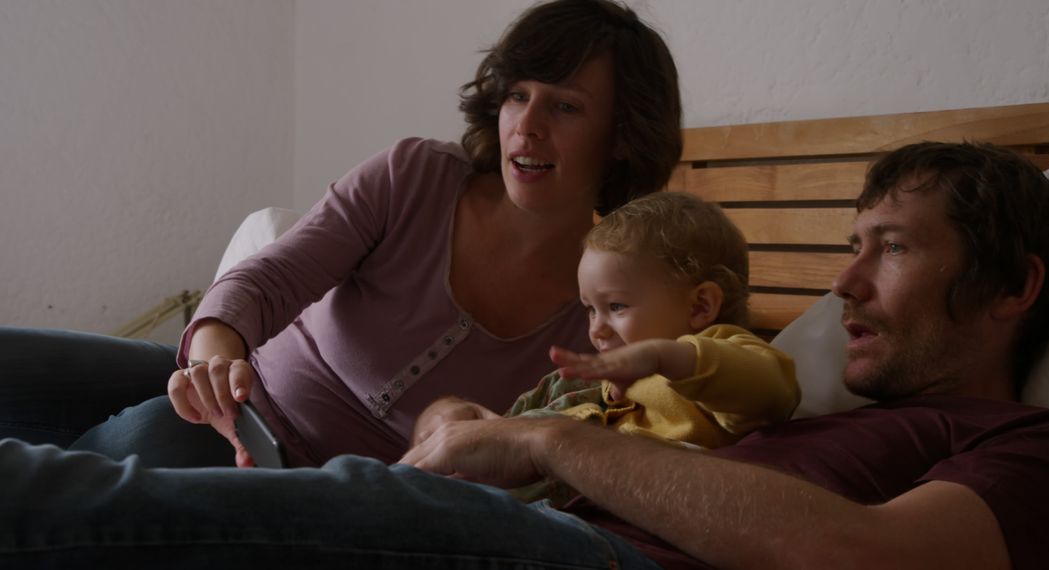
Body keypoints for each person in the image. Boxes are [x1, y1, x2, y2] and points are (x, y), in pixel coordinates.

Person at [4, 141, 1049, 569]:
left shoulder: (1036, 448)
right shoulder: (803, 403)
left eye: (888, 252)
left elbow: (869, 559)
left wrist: (552, 442)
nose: (842, 286)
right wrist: (475, 432)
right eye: (847, 250)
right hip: (538, 529)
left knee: (371, 509)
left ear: (1015, 288)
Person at [0, 0, 683, 468]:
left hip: (295, 479)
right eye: (516, 94)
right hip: (232, 391)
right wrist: (212, 358)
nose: (525, 127)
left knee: (119, 457)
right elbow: (265, 280)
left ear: (623, 137)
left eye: (564, 106)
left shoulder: (608, 311)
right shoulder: (415, 175)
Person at [413, 191, 799, 505]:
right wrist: (455, 421)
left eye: (616, 306)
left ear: (700, 307)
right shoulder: (578, 389)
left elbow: (773, 390)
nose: (596, 329)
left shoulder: (714, 367)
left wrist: (663, 357)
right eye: (589, 310)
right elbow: (501, 437)